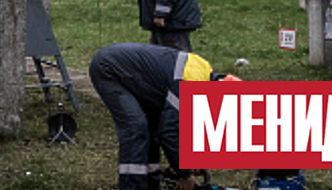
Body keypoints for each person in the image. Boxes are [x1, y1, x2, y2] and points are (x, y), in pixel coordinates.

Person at [89, 42, 239, 190]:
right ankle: (132, 186)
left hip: (133, 72)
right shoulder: (190, 85)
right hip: (109, 69)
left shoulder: (204, 73)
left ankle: (151, 184)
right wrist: (185, 173)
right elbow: (169, 132)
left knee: (152, 127)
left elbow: (178, 125)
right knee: (136, 127)